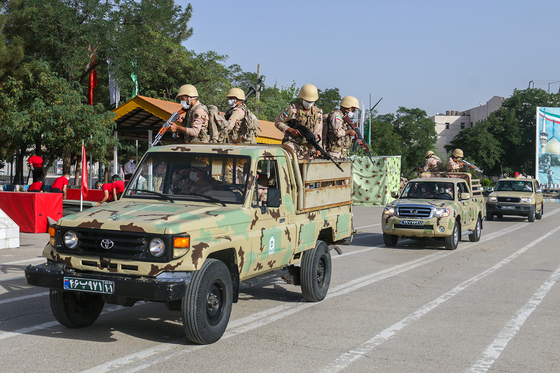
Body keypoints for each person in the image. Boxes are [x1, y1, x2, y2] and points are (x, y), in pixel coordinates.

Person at [274, 84, 323, 159]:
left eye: (311, 101)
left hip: (309, 147)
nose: (309, 103)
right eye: (307, 101)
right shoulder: (293, 110)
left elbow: (318, 134)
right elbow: (278, 122)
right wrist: (291, 130)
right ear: (302, 98)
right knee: (286, 156)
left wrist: (318, 150)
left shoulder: (318, 114)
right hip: (294, 144)